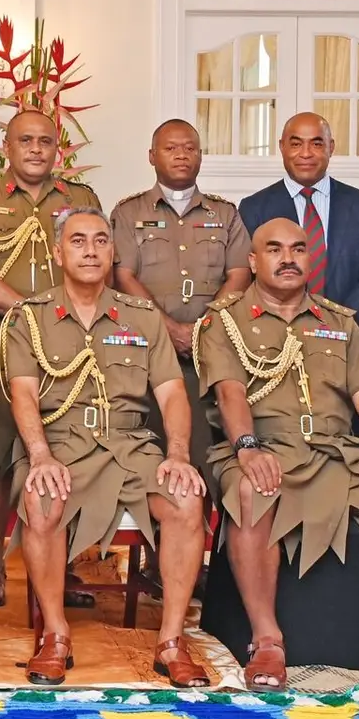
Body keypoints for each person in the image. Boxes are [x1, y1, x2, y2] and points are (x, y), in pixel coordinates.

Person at [199, 218, 359, 694]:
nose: (288, 258)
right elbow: (230, 394)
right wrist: (247, 449)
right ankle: (267, 640)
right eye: (274, 249)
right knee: (252, 492)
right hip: (265, 446)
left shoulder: (340, 322)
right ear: (253, 260)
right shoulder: (223, 321)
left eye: (298, 249)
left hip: (338, 451)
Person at [4, 208, 208, 688]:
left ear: (113, 251)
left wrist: (177, 453)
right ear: (58, 252)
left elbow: (172, 393)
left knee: (186, 500)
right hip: (60, 442)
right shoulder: (29, 318)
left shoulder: (141, 317)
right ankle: (55, 635)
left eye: (100, 241)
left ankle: (171, 642)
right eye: (78, 241)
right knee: (41, 499)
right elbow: (24, 393)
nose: (90, 250)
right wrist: (39, 455)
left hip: (129, 442)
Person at [0, 109, 103, 610]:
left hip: (76, 349)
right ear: (7, 147)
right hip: (0, 344)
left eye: (45, 141)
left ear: (57, 148)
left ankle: (62, 568)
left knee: (72, 450)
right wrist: (33, 315)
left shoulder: (80, 201)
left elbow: (97, 267)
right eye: (26, 140)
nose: (36, 149)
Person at [110, 119, 251, 475]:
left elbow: (239, 274)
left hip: (212, 349)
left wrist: (202, 327)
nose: (181, 155)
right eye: (171, 148)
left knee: (210, 449)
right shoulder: (129, 213)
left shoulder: (225, 214)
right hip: (146, 347)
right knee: (151, 446)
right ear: (152, 156)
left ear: (200, 156)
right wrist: (167, 327)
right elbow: (122, 275)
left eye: (189, 148)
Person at [237, 112, 359, 358]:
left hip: (350, 343)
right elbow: (248, 277)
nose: (306, 153)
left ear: (331, 147)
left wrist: (339, 328)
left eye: (317, 144)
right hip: (274, 346)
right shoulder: (254, 208)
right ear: (282, 147)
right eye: (296, 144)